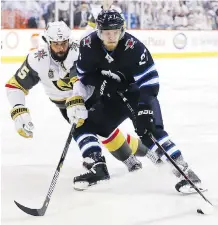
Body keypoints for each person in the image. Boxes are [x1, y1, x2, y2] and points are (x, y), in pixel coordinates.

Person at [68, 9, 206, 193]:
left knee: (150, 133)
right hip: (112, 98)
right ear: (99, 32)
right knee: (82, 125)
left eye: (115, 32)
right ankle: (98, 167)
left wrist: (144, 109)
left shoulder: (134, 47)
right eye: (107, 33)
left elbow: (149, 82)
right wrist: (78, 99)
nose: (111, 37)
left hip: (138, 95)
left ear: (122, 31)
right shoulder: (87, 45)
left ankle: (187, 174)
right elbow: (83, 78)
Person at [5, 21, 146, 174]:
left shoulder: (79, 51)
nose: (60, 48)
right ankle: (132, 156)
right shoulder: (37, 59)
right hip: (64, 104)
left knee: (97, 128)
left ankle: (108, 160)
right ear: (47, 42)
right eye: (56, 44)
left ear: (69, 40)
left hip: (92, 96)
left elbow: (81, 77)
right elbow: (15, 86)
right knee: (98, 129)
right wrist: (19, 109)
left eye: (64, 43)